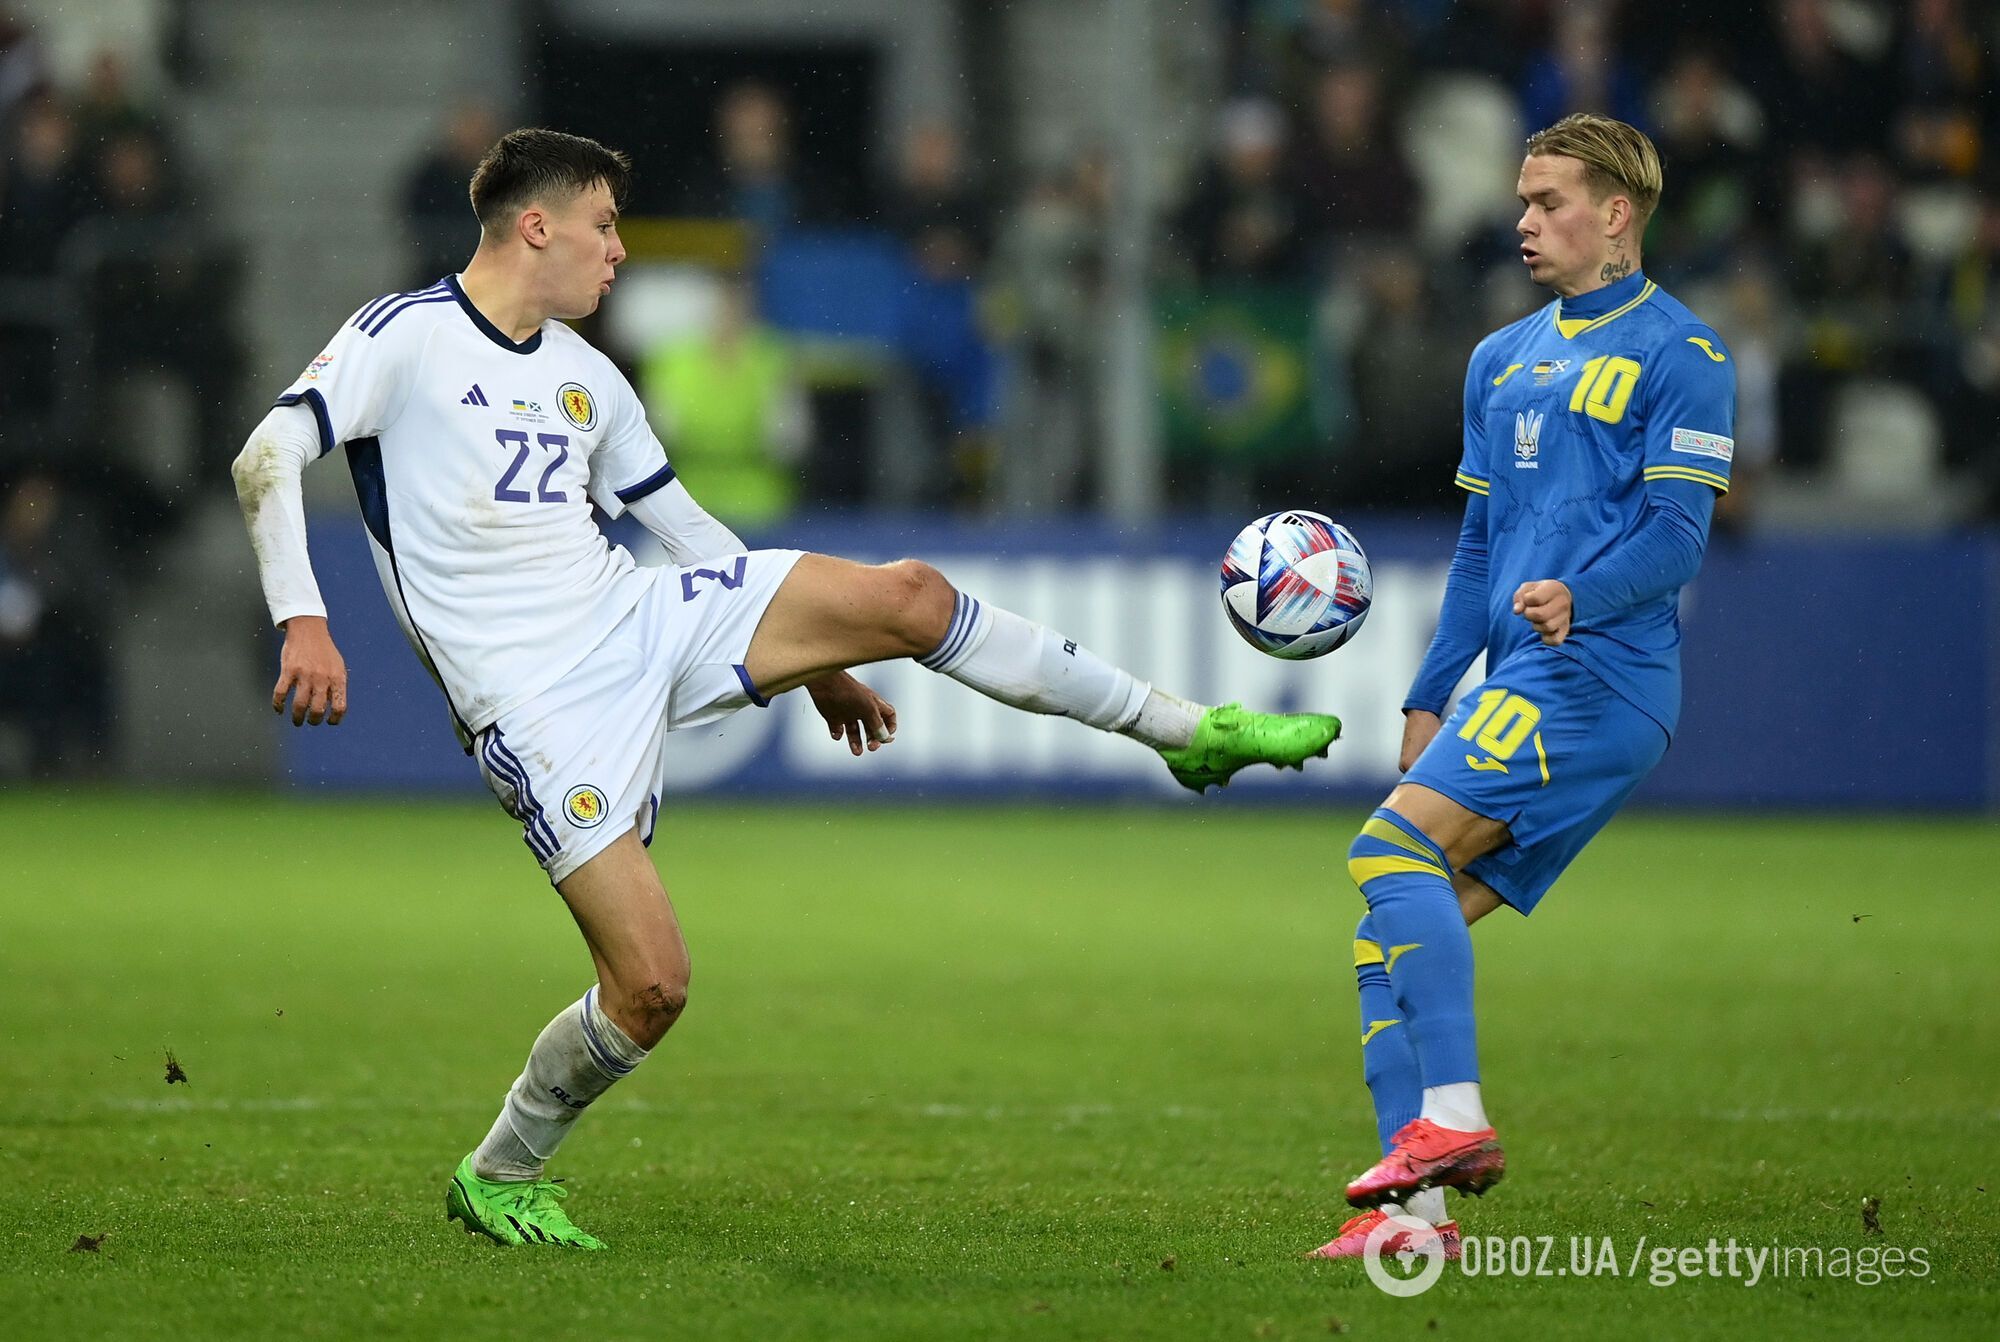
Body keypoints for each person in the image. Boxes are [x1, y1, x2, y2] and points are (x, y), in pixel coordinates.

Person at [231, 128, 1344, 1251]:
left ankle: (1182, 730)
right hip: (534, 703)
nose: (619, 251)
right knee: (650, 989)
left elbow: (681, 533)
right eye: (606, 226)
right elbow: (266, 456)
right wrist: (306, 617)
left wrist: (816, 656)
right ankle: (500, 1170)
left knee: (907, 594)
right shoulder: (404, 338)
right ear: (537, 226)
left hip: (636, 618)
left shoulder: (586, 378)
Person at [1307, 114, 1735, 1261]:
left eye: (1548, 202)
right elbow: (1480, 545)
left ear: (1617, 216)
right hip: (1525, 674)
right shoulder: (1499, 359)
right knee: (1387, 930)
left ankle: (1451, 1121)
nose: (1524, 221)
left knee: (1383, 853)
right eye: (1520, 201)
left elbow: (1677, 537)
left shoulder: (1681, 356)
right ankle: (1416, 1222)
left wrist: (1578, 598)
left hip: (1601, 676)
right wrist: (1428, 687)